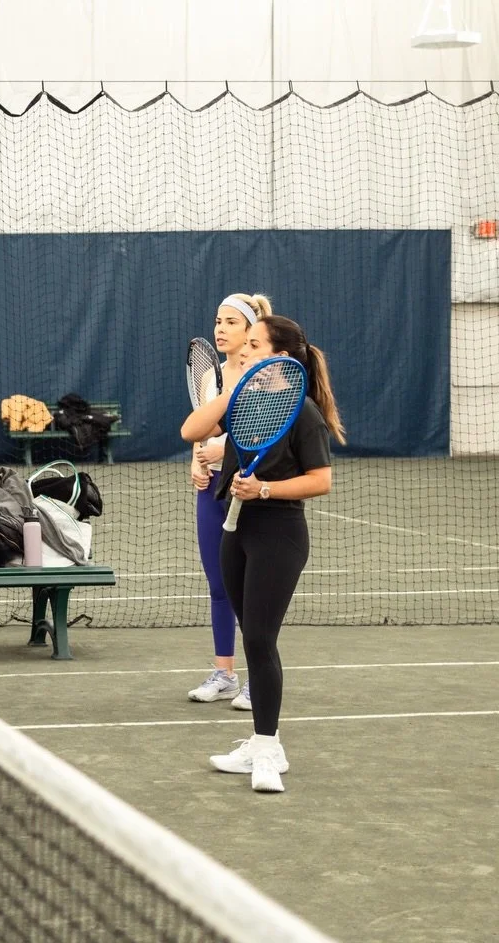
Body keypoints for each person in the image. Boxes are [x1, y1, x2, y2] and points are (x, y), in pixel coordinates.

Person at [181, 315, 344, 793]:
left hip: (280, 535)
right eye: (245, 343)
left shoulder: (304, 412)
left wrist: (265, 489)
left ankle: (270, 748)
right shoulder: (245, 402)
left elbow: (321, 481)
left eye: (254, 344)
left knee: (259, 638)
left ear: (281, 358)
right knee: (250, 635)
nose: (244, 350)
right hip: (235, 532)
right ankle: (257, 743)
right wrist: (232, 393)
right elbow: (192, 430)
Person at [187, 293, 273, 708]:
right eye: (218, 321)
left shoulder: (268, 375)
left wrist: (226, 449)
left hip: (250, 489)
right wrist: (197, 460)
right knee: (219, 584)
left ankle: (259, 680)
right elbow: (202, 429)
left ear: (251, 329)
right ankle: (224, 673)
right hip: (212, 491)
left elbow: (267, 434)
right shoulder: (212, 377)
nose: (220, 329)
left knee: (252, 589)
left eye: (231, 322)